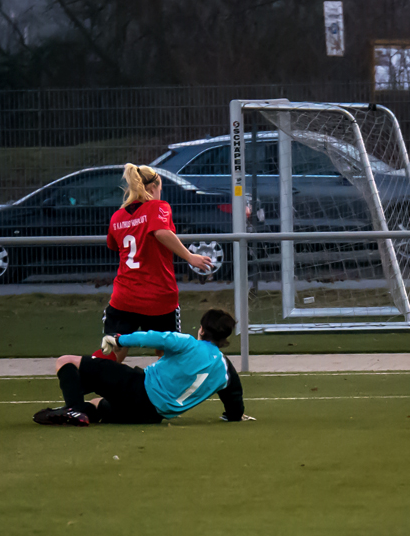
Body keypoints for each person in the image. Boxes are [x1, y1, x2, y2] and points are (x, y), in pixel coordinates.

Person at [34, 309, 254, 426]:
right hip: (150, 415)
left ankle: (73, 410)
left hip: (136, 388)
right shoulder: (225, 369)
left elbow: (152, 337)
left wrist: (119, 340)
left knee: (65, 361)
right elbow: (234, 397)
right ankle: (81, 411)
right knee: (97, 404)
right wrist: (234, 416)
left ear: (203, 330)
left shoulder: (189, 343)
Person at [91, 163, 212, 364]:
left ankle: (90, 382)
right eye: (160, 189)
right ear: (152, 188)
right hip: (158, 297)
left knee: (113, 351)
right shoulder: (158, 207)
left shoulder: (117, 216)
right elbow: (161, 232)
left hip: (125, 296)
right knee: (169, 355)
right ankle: (163, 393)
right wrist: (191, 257)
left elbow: (114, 244)